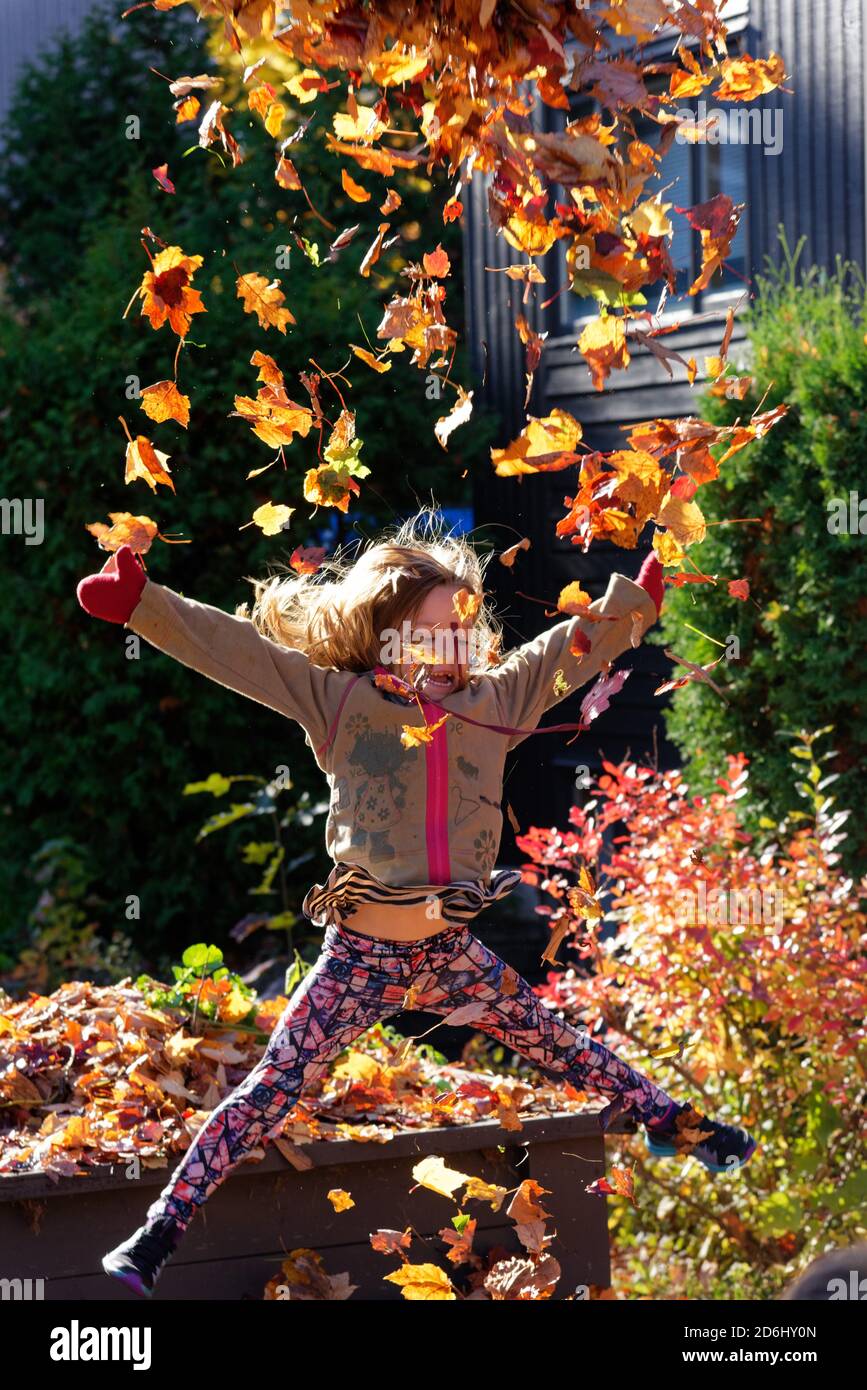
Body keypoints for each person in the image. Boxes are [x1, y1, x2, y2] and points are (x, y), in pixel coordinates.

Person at [76, 508, 757, 1297]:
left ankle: (677, 1126)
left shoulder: (495, 701)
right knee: (269, 1091)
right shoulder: (339, 702)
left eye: (462, 629)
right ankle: (157, 1233)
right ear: (386, 633)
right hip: (360, 953)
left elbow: (563, 651)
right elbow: (241, 654)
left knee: (560, 1043)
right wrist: (142, 604)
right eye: (430, 632)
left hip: (449, 949)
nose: (451, 647)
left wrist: (629, 608)